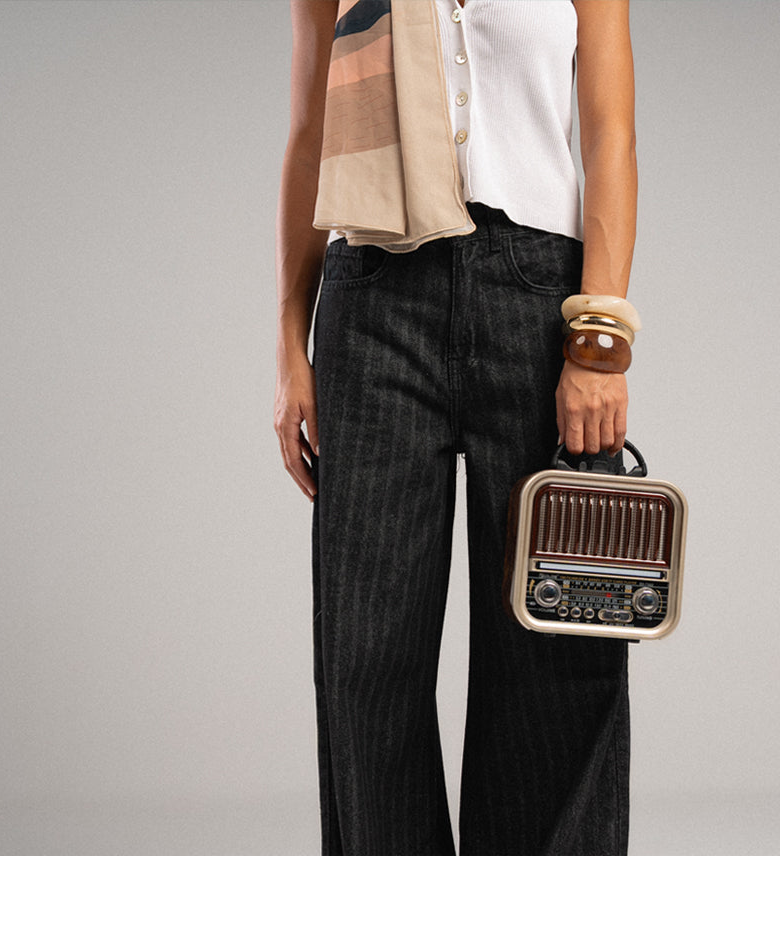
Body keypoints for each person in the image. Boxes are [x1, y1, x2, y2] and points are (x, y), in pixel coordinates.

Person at [273, 0, 638, 855]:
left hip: (539, 302)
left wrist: (599, 344)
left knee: (556, 640)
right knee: (367, 656)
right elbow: (309, 135)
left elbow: (610, 135)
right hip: (374, 295)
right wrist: (291, 347)